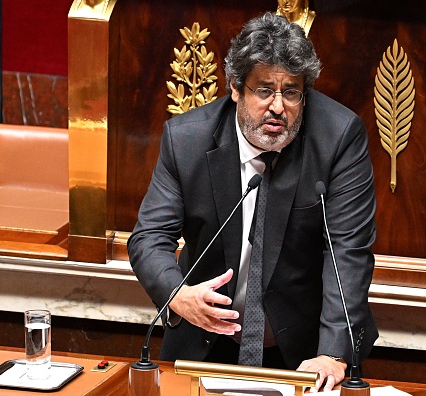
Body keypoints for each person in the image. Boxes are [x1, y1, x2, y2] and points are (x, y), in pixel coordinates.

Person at [127, 12, 377, 392]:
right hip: (202, 345)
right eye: (264, 90)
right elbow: (148, 238)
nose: (278, 107)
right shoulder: (188, 140)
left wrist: (333, 351)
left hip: (305, 356)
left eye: (291, 91)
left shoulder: (338, 137)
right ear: (235, 88)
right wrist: (179, 296)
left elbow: (348, 252)